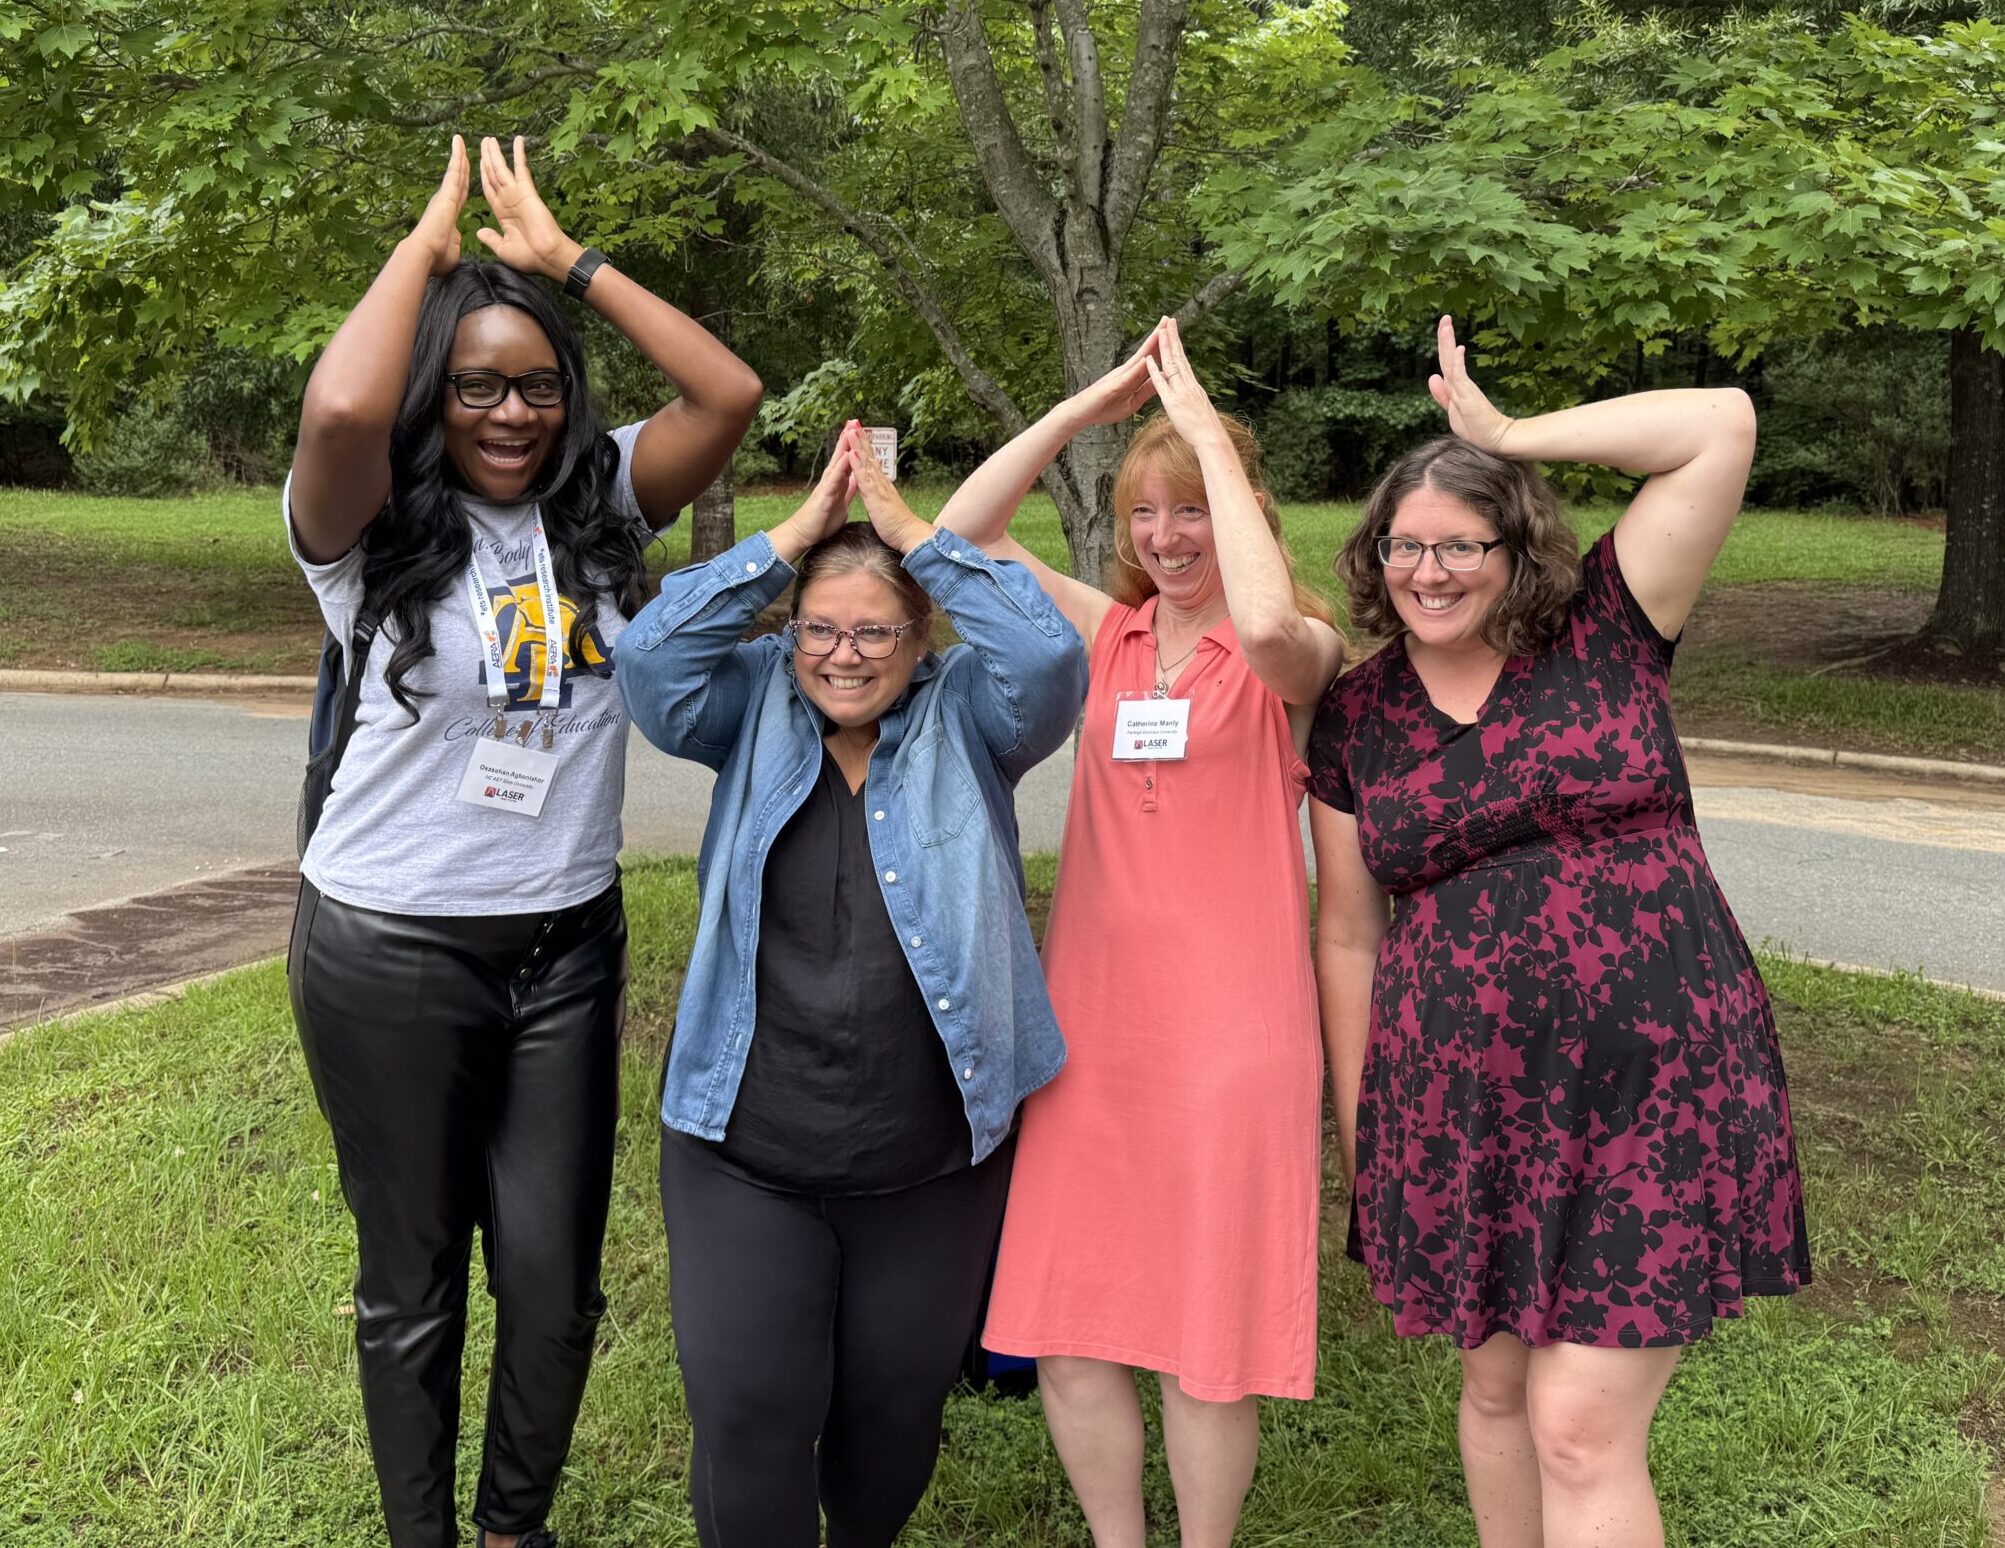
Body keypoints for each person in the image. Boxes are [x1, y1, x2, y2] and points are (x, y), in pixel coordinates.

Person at [283, 134, 761, 1548]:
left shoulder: (602, 499)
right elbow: (336, 407)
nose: (510, 411)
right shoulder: (367, 522)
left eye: (537, 384)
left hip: (564, 941)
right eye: (478, 383)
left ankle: (512, 1531)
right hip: (387, 942)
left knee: (554, 1282)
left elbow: (727, 391)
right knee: (413, 1277)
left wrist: (567, 266)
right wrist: (430, 251)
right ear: (439, 388)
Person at [1309, 317, 1811, 1548]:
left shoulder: (1605, 626)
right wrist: (1364, 1129)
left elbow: (1717, 427)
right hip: (1460, 1099)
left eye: (1461, 545)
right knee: (1493, 1391)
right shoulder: (1356, 715)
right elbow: (1346, 935)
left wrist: (1503, 433)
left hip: (1654, 1084)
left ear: (1513, 547)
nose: (1429, 571)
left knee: (1579, 1420)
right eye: (1404, 545)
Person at [614, 423, 1088, 1547]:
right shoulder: (749, 709)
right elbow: (649, 657)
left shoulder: (971, 719)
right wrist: (794, 537)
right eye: (819, 630)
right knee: (750, 1417)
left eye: (875, 631)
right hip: (745, 1151)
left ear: (920, 639)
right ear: (789, 638)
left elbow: (1049, 660)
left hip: (926, 1159)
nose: (843, 655)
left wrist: (916, 536)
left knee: (889, 1428)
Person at [944, 318, 1347, 1548]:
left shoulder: (1296, 655)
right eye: (1142, 519)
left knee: (1206, 1344)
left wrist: (1212, 445)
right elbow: (961, 537)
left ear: (1239, 516)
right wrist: (1086, 410)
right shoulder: (1108, 637)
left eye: (1190, 515)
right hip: (1095, 1031)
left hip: (1234, 1033)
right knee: (1069, 1323)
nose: (1167, 541)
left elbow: (1273, 626)